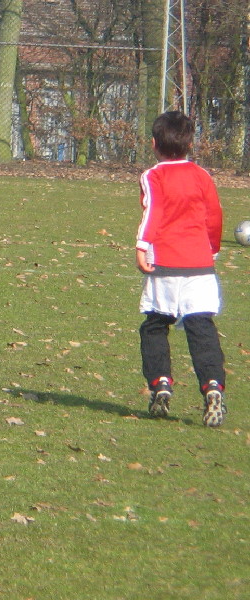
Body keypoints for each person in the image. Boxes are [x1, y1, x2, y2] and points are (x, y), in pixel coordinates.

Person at [136, 110, 226, 427]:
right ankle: (213, 387)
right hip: (200, 263)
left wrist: (142, 245)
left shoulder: (153, 176)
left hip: (167, 262)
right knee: (201, 329)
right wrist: (212, 248)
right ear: (190, 144)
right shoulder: (203, 176)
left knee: (155, 325)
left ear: (153, 144)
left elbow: (154, 212)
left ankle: (161, 383)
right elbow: (214, 215)